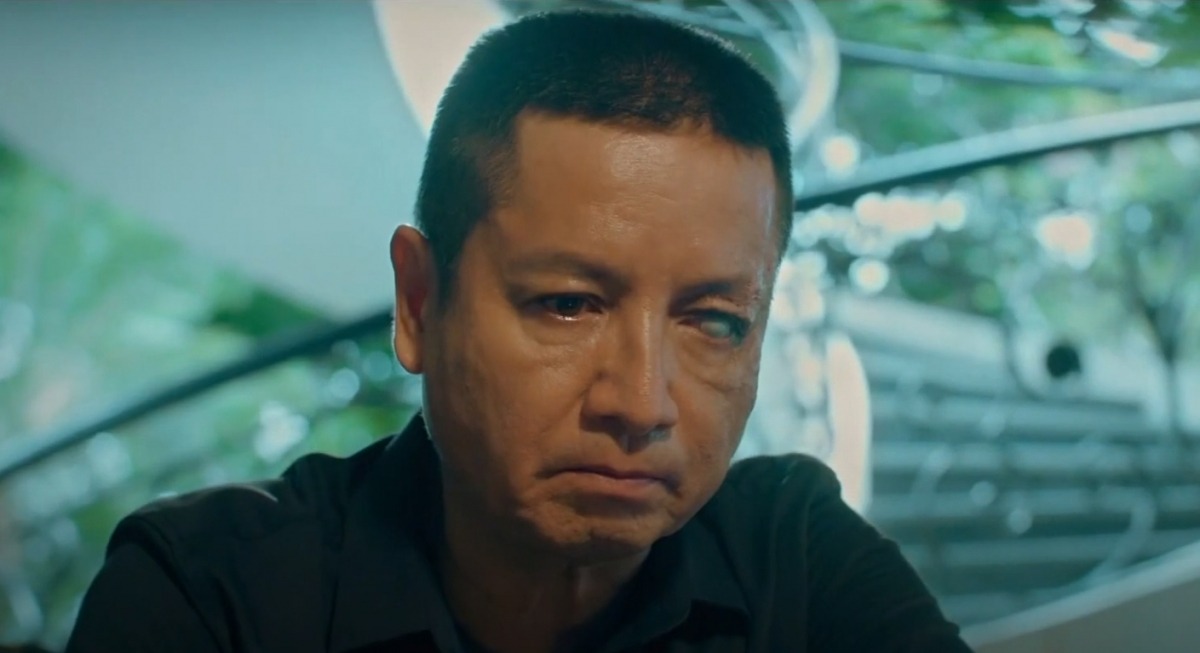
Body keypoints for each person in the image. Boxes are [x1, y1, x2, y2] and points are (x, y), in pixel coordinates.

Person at [67, 10, 972, 653]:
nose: (641, 404)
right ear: (419, 303)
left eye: (714, 320)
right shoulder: (214, 595)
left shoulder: (793, 562)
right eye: (568, 304)